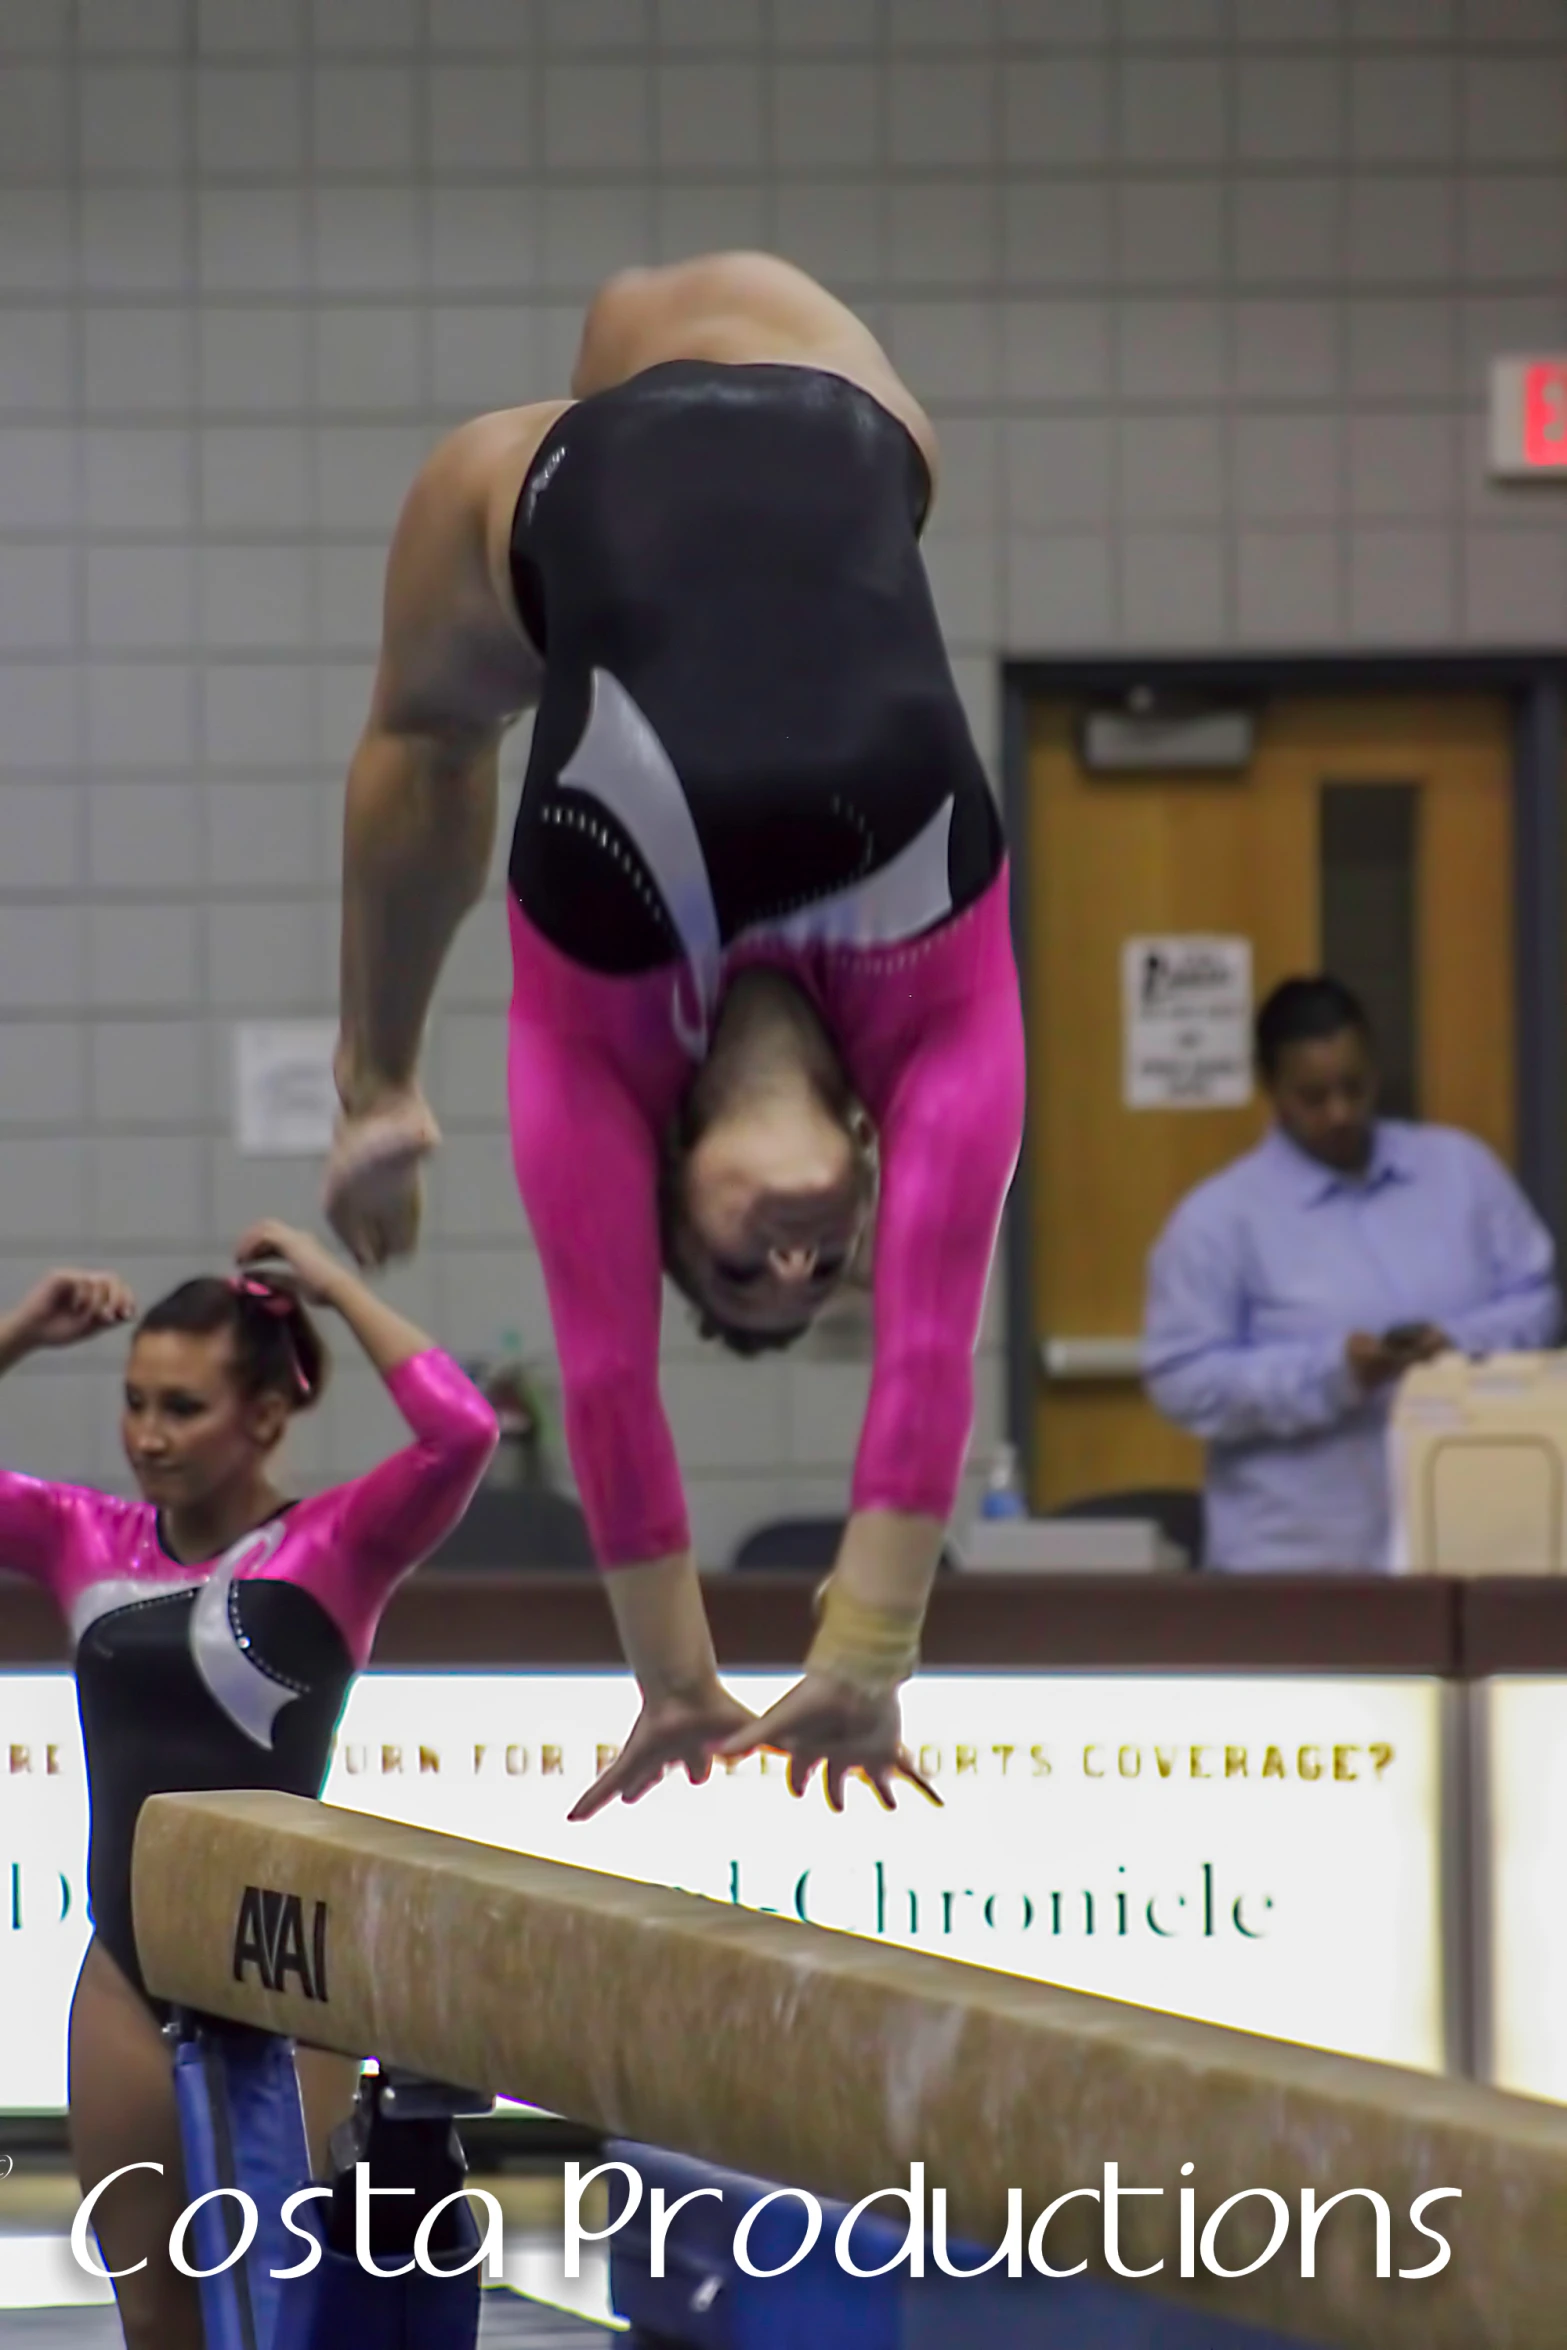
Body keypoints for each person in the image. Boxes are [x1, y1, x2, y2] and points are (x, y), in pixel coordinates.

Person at [320, 249, 1026, 1819]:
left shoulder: (596, 1039)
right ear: (861, 1158)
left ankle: (367, 1077)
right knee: (674, 306)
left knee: (431, 732)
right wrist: (866, 1648)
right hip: (828, 406)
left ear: (662, 1188)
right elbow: (928, 1337)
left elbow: (604, 1380)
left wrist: (669, 1676)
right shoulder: (941, 1010)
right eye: (811, 1270)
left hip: (544, 505)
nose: (792, 1255)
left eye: (732, 1269)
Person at [0, 1221, 496, 2350]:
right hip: (127, 1974)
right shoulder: (85, 1534)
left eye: (182, 1407)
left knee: (290, 2317)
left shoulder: (334, 1545)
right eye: (134, 1402)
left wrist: (332, 1285)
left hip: (288, 1982)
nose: (146, 1435)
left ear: (266, 1416)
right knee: (157, 2315)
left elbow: (461, 1430)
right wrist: (24, 1329)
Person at [1143, 975, 1561, 1572]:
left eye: (1354, 1087)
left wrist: (1459, 1345)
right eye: (1312, 1096)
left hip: (1471, 1550)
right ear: (1271, 1089)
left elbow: (1537, 1303)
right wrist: (1333, 1373)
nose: (1339, 1112)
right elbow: (1182, 1381)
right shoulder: (1219, 1221)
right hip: (1297, 1566)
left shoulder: (1462, 1173)